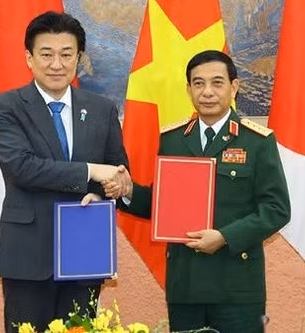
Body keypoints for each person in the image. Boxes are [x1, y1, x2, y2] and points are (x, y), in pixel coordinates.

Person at [108, 50, 290, 332]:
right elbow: (163, 204)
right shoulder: (174, 139)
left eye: (217, 83)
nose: (207, 92)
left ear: (234, 87)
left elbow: (276, 209)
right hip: (186, 284)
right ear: (188, 89)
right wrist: (128, 191)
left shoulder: (257, 141)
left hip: (237, 286)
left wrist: (225, 237)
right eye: (198, 83)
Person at [0, 11, 132, 333]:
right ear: (29, 57)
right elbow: (23, 168)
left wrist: (106, 190)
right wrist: (92, 171)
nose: (57, 64)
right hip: (28, 256)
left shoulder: (101, 109)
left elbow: (120, 173)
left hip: (85, 252)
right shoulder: (4, 107)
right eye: (46, 54)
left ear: (78, 58)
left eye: (66, 55)